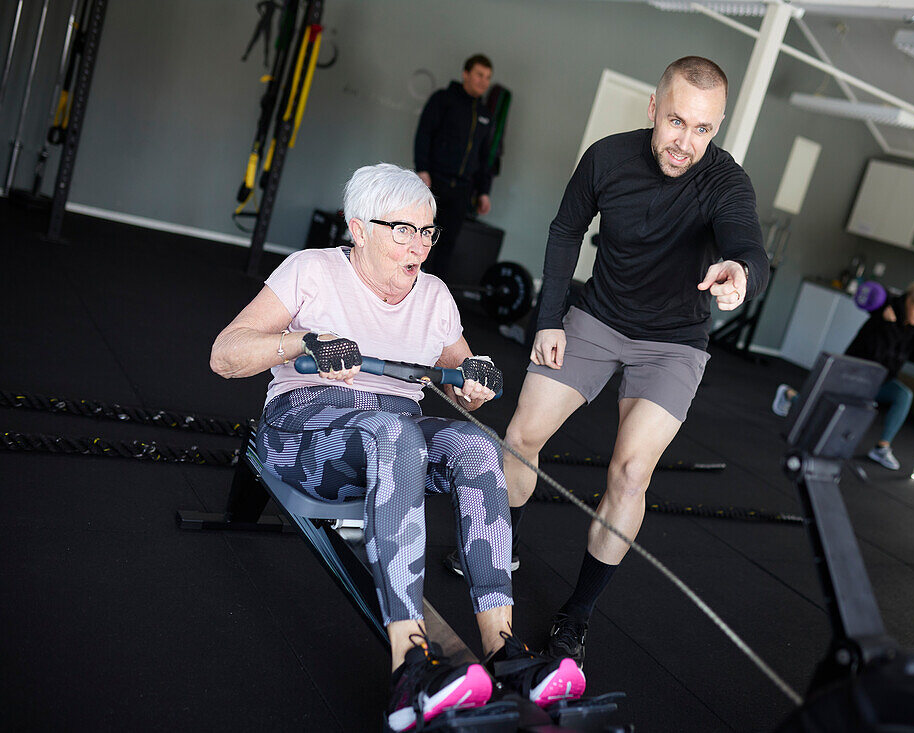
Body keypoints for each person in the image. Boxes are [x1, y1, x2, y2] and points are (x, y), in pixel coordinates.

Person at [209, 164, 584, 731]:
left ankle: (502, 650)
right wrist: (304, 341)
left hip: (396, 431)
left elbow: (462, 371)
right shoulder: (310, 271)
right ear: (358, 229)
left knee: (476, 447)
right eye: (403, 230)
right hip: (305, 433)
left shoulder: (432, 295)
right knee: (396, 434)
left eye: (428, 232)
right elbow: (225, 354)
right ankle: (411, 666)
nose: (420, 246)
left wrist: (475, 378)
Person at [485, 56, 769, 667]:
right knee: (519, 436)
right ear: (652, 109)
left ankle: (577, 615)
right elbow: (566, 231)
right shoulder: (608, 158)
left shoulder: (725, 181)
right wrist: (548, 319)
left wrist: (739, 271)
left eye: (703, 130)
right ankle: (498, 549)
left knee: (631, 473)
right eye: (676, 122)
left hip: (674, 343)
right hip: (597, 317)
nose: (686, 142)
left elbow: (747, 241)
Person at [771, 278, 914, 470]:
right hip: (855, 375)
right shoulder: (883, 313)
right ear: (909, 301)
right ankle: (789, 395)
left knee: (903, 396)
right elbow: (878, 354)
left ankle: (881, 448)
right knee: (819, 411)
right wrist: (889, 326)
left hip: (881, 381)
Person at [414, 54, 496, 281]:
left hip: (462, 191)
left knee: (446, 247)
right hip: (434, 183)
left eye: (488, 77)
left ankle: (431, 301)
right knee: (422, 240)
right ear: (465, 74)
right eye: (479, 74)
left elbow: (485, 157)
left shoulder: (486, 116)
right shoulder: (443, 99)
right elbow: (424, 134)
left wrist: (484, 192)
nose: (483, 81)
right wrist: (422, 169)